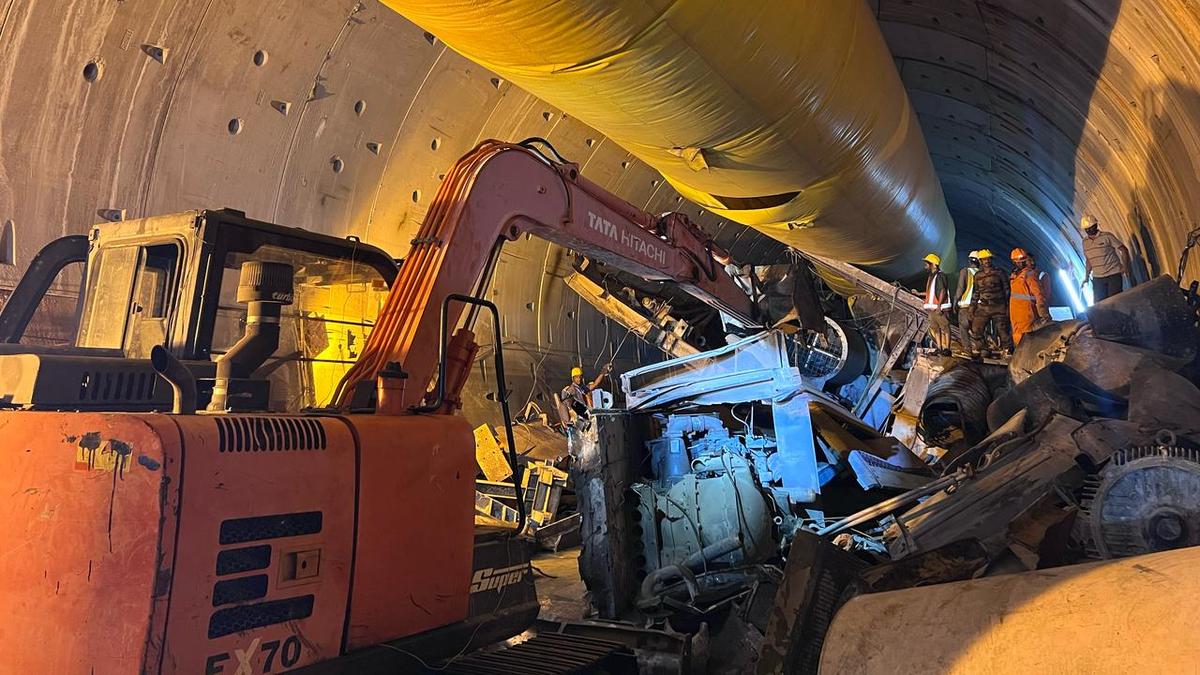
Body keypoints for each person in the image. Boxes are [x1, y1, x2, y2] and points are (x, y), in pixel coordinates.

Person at [968, 249, 1013, 358]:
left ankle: (1008, 350)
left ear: (991, 260)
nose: (986, 261)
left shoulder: (999, 272)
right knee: (976, 329)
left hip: (999, 306)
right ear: (981, 261)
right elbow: (976, 292)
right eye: (984, 260)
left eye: (988, 259)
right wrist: (971, 308)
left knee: (1003, 331)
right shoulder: (978, 275)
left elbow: (1007, 289)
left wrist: (1007, 306)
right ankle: (984, 349)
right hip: (984, 307)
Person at [1080, 215, 1131, 302]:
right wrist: (1086, 277)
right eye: (1086, 229)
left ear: (1096, 225)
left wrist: (1125, 267)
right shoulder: (1085, 242)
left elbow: (1123, 250)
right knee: (1099, 304)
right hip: (1098, 278)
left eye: (1090, 227)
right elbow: (1089, 260)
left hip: (1113, 275)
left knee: (1114, 301)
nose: (1088, 230)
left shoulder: (1107, 236)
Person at [1009, 248, 1050, 345]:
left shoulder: (1029, 275)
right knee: (1017, 335)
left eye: (1022, 261)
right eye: (1018, 262)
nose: (1020, 264)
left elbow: (1038, 294)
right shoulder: (1014, 276)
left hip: (1026, 312)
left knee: (1026, 337)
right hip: (1015, 313)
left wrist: (1043, 312)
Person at [920, 253, 952, 355]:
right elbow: (931, 292)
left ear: (933, 264)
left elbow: (942, 290)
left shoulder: (941, 275)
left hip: (939, 308)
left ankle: (947, 349)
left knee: (945, 328)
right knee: (935, 328)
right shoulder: (931, 276)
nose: (925, 265)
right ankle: (939, 348)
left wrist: (939, 306)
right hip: (931, 308)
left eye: (927, 263)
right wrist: (918, 293)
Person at [955, 251, 981, 353]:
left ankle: (967, 349)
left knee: (963, 328)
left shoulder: (965, 271)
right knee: (978, 330)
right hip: (979, 308)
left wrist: (955, 302)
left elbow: (960, 289)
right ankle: (980, 349)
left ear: (969, 260)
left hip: (966, 306)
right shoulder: (983, 274)